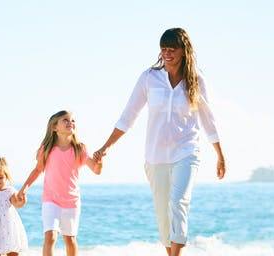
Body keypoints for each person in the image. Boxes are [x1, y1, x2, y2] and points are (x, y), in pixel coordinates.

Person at [93, 28, 227, 256]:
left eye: (171, 49)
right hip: (155, 157)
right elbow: (128, 115)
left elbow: (208, 120)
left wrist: (220, 155)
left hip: (186, 152)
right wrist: (106, 146)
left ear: (184, 51)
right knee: (164, 216)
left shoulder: (196, 80)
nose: (166, 53)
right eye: (163, 49)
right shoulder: (149, 78)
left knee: (178, 202)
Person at [19, 110, 103, 256]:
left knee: (70, 239)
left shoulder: (79, 149)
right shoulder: (47, 149)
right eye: (65, 120)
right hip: (51, 199)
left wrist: (100, 163)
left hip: (71, 201)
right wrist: (24, 188)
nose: (71, 122)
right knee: (50, 236)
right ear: (54, 127)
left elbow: (96, 170)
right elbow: (38, 169)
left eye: (73, 120)